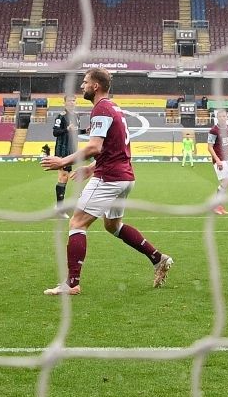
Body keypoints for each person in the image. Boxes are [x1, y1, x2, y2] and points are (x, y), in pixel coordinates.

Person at [38, 69, 173, 294]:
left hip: (110, 178)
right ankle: (158, 258)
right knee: (112, 226)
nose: (82, 86)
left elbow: (95, 147)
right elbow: (116, 146)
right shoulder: (114, 108)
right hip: (124, 177)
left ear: (96, 86)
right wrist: (91, 167)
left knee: (77, 223)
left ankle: (72, 284)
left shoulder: (101, 109)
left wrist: (62, 160)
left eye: (85, 82)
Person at [208, 106, 228, 216]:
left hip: (227, 159)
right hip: (219, 159)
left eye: (224, 116)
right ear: (217, 117)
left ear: (227, 117)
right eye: (220, 116)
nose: (222, 118)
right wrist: (217, 160)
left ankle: (220, 206)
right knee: (226, 182)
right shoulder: (214, 130)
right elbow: (209, 147)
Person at [50, 102, 77, 208]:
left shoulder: (75, 116)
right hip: (62, 150)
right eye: (69, 101)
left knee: (65, 177)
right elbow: (55, 132)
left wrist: (85, 131)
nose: (71, 103)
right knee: (63, 176)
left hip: (71, 150)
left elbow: (74, 132)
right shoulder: (61, 116)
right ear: (65, 103)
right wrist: (67, 129)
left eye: (73, 101)